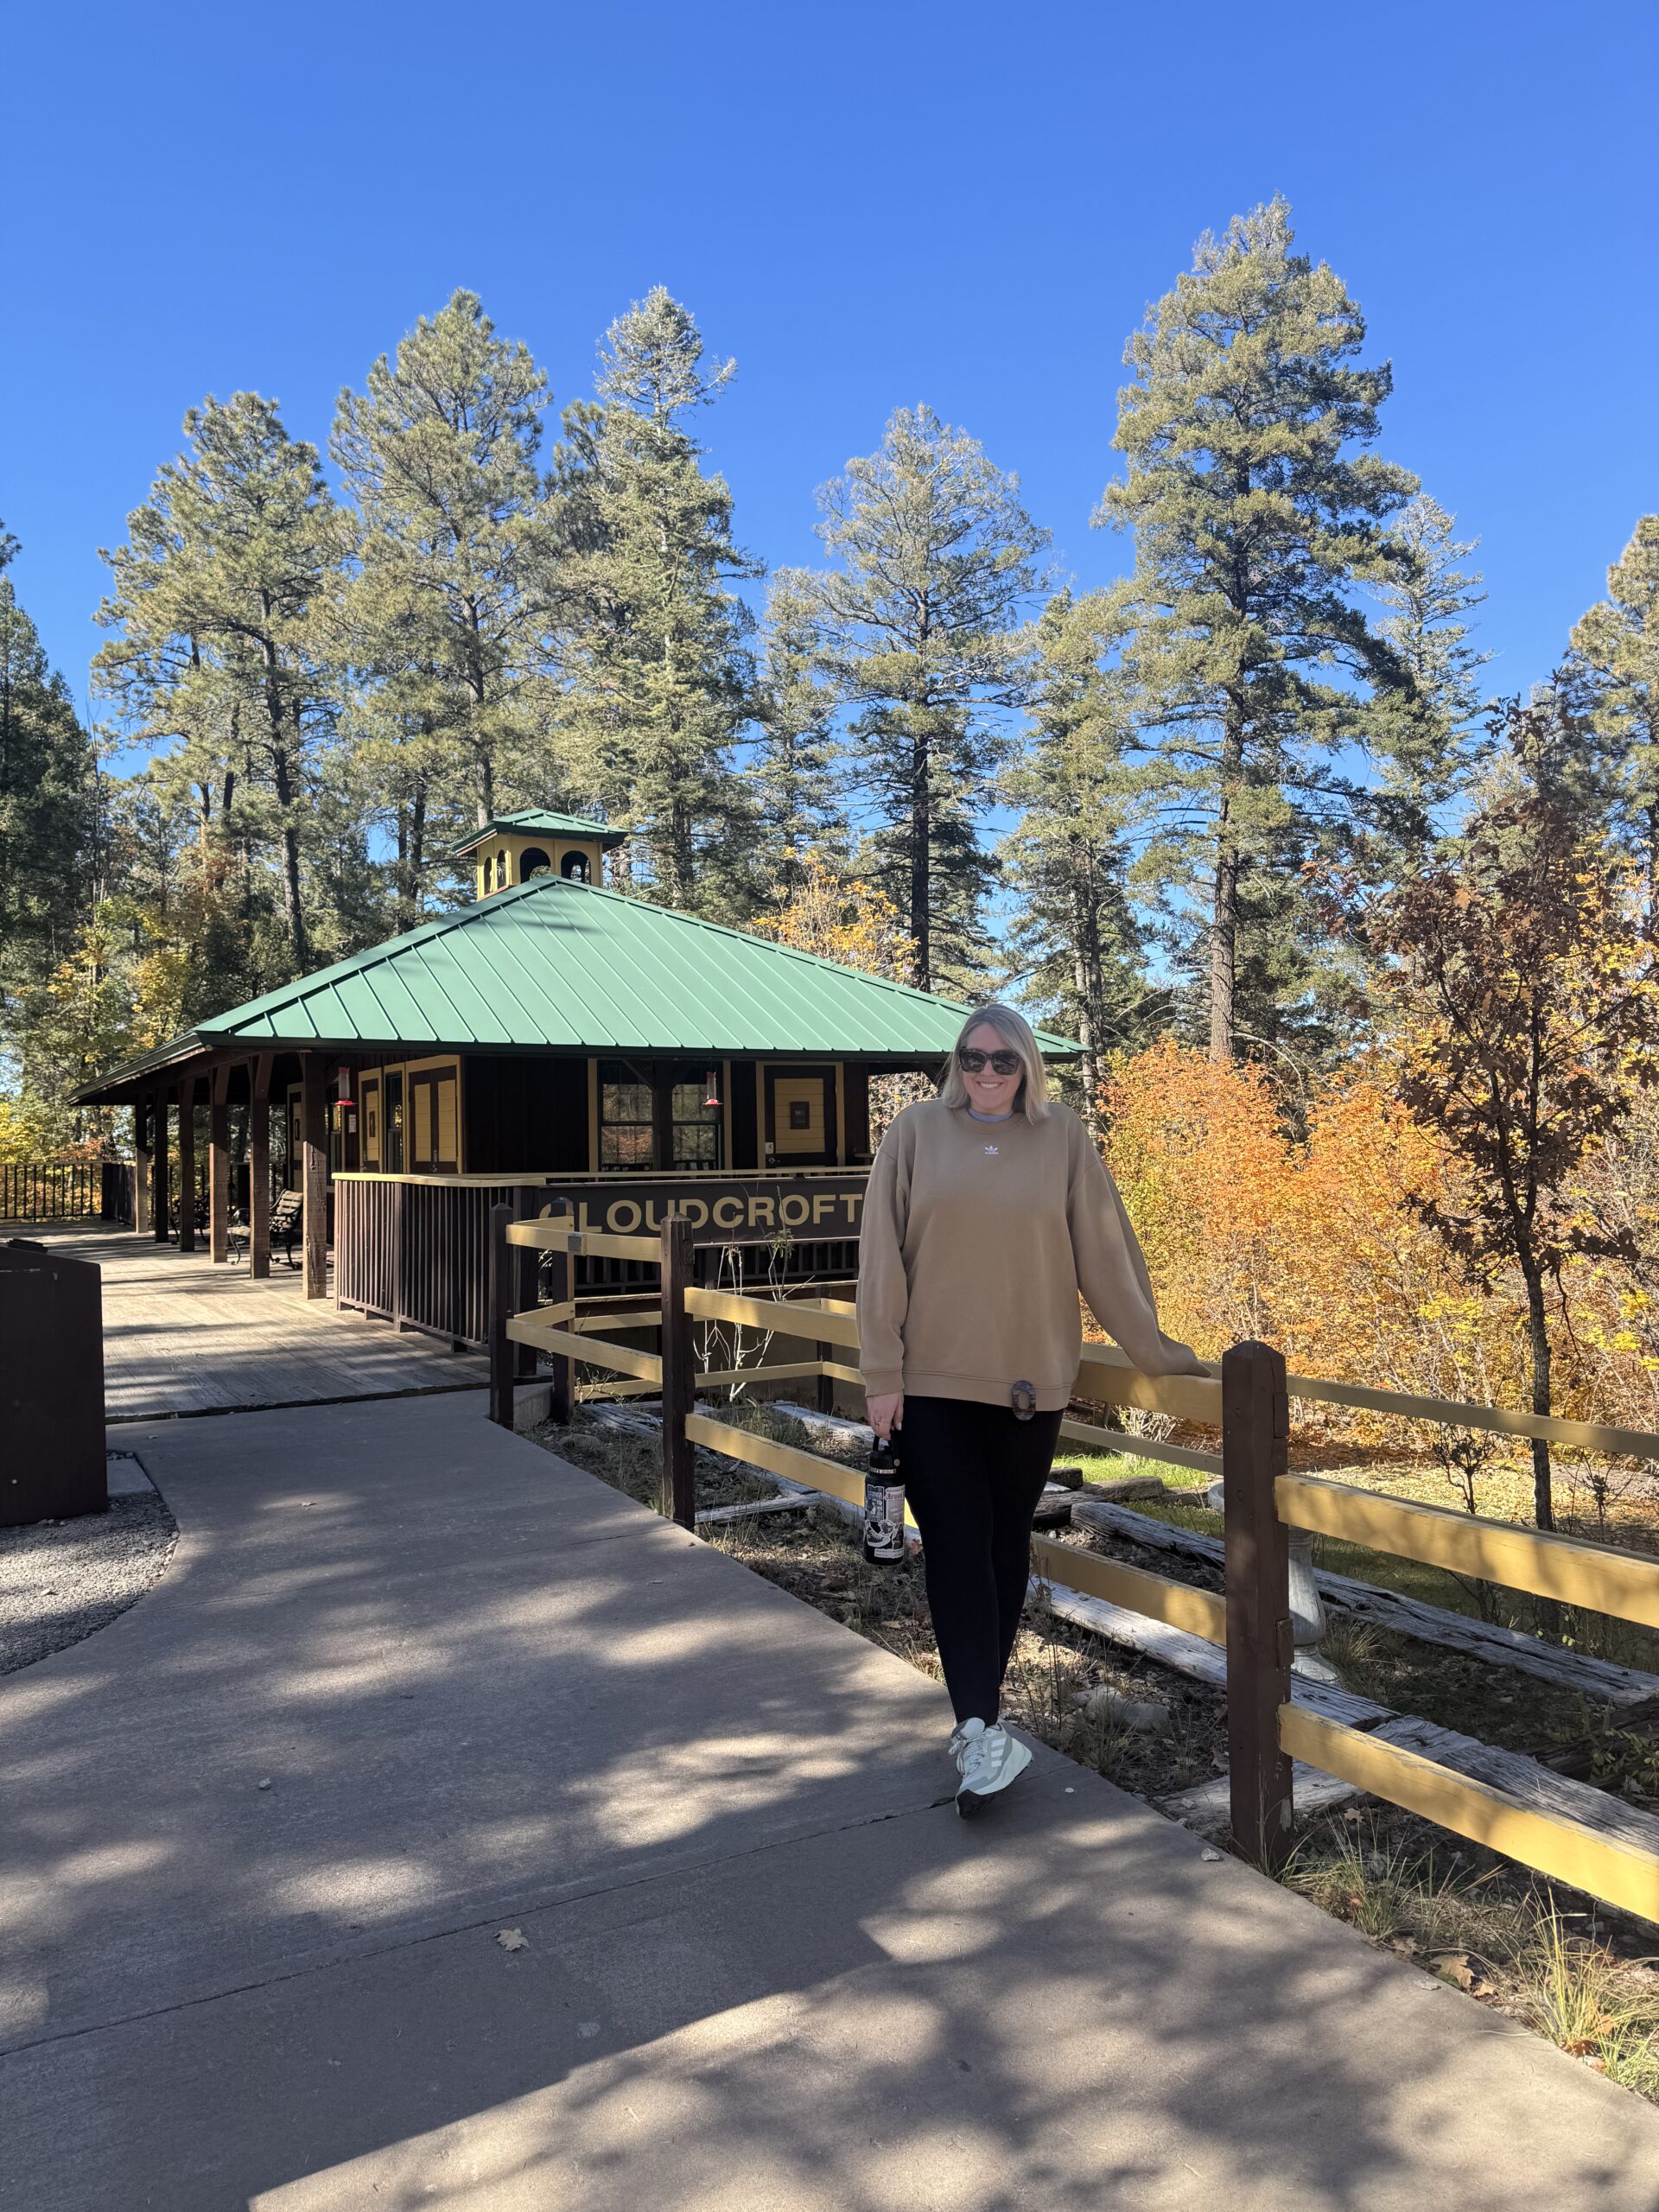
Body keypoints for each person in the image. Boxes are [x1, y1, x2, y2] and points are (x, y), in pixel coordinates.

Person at [856, 1003, 1204, 1816]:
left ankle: (984, 1711)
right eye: (972, 1058)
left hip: (1028, 1386)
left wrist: (1158, 1354)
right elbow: (882, 1257)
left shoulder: (1064, 1140)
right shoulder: (913, 1133)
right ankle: (977, 1727)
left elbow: (1106, 1256)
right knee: (952, 1544)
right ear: (955, 1063)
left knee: (1003, 1545)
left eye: (1003, 1061)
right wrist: (881, 1372)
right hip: (931, 1382)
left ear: (1028, 1067)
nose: (986, 1073)